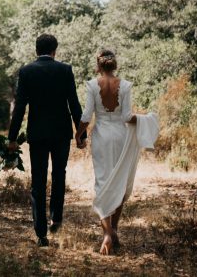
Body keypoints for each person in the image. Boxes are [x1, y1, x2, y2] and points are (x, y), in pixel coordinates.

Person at [75, 49, 158, 255]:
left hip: (102, 136)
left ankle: (107, 233)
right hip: (122, 135)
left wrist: (78, 135)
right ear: (115, 65)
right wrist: (147, 119)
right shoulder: (126, 85)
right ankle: (115, 230)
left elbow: (86, 115)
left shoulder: (93, 85)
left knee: (103, 182)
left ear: (98, 65)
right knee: (119, 181)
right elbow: (128, 116)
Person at [7, 33, 84, 247]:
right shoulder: (65, 70)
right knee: (59, 174)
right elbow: (74, 104)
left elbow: (20, 107)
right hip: (61, 133)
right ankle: (56, 219)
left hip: (38, 134)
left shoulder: (26, 71)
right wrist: (81, 134)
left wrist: (12, 138)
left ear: (35, 50)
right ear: (54, 51)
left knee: (38, 181)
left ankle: (41, 232)